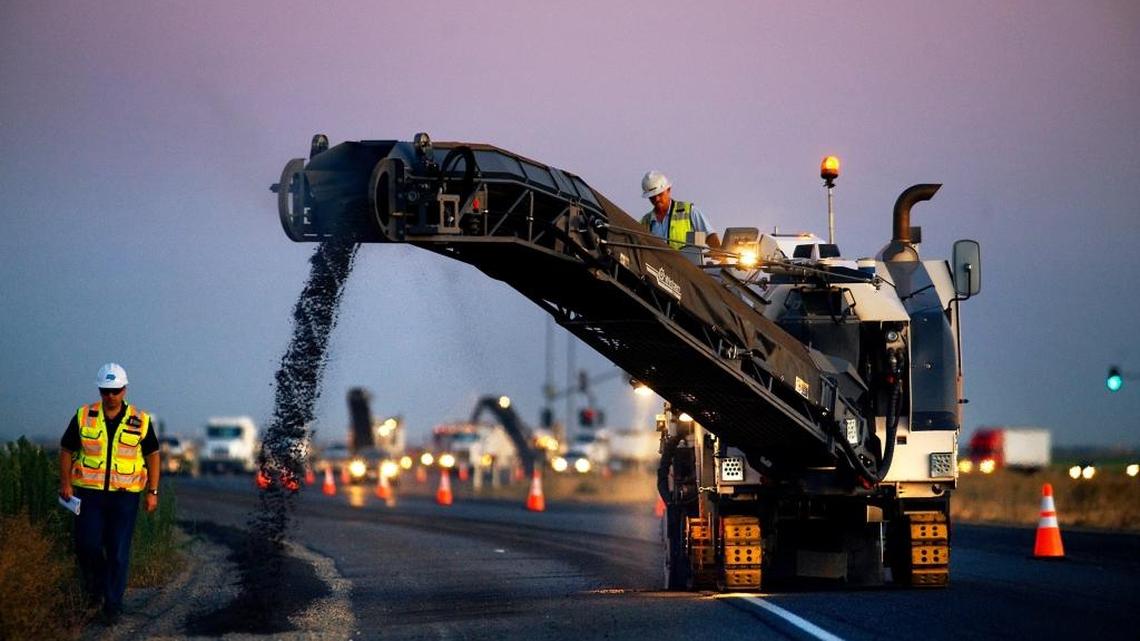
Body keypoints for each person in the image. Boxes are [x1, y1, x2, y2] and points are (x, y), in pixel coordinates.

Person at [58, 363, 160, 624]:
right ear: (100, 390)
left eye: (115, 391)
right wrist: (66, 482)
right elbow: (66, 449)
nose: (110, 396)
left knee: (118, 552)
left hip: (124, 498)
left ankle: (112, 606)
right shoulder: (84, 415)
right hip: (89, 496)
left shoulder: (141, 420)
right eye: (105, 390)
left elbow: (153, 456)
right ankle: (98, 590)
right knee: (87, 545)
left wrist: (153, 491)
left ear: (124, 390)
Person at [639, 170, 721, 250]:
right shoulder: (645, 221)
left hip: (687, 263)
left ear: (668, 190)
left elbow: (710, 236)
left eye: (660, 194)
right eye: (652, 197)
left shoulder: (689, 211)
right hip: (656, 263)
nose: (656, 199)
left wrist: (719, 255)